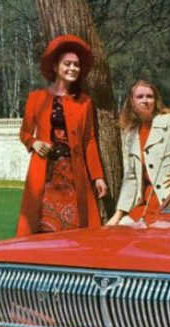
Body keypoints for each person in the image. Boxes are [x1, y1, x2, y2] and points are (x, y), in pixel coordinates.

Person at [17, 34, 108, 236]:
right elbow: (24, 132)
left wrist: (98, 177)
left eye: (76, 65)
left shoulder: (85, 102)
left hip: (74, 175)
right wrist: (33, 142)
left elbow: (90, 141)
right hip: (45, 173)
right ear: (55, 67)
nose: (73, 68)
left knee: (75, 228)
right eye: (67, 64)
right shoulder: (36, 98)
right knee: (41, 225)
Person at [107, 79, 170, 226]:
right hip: (143, 206)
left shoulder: (168, 122)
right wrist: (117, 216)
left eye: (149, 96)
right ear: (132, 102)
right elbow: (131, 178)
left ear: (156, 100)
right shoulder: (130, 134)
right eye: (140, 97)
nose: (145, 100)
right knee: (122, 229)